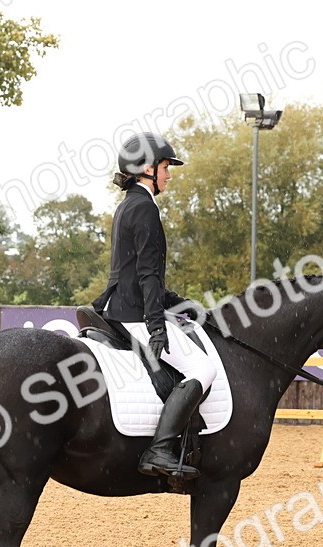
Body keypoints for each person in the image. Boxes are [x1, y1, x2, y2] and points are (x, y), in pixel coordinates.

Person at [92, 132, 218, 480]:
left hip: (118, 306)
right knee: (203, 370)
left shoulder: (127, 205)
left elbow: (134, 272)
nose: (169, 174)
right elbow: (147, 274)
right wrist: (157, 326)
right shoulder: (145, 207)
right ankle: (159, 450)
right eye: (165, 167)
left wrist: (175, 302)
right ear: (148, 168)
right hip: (135, 314)